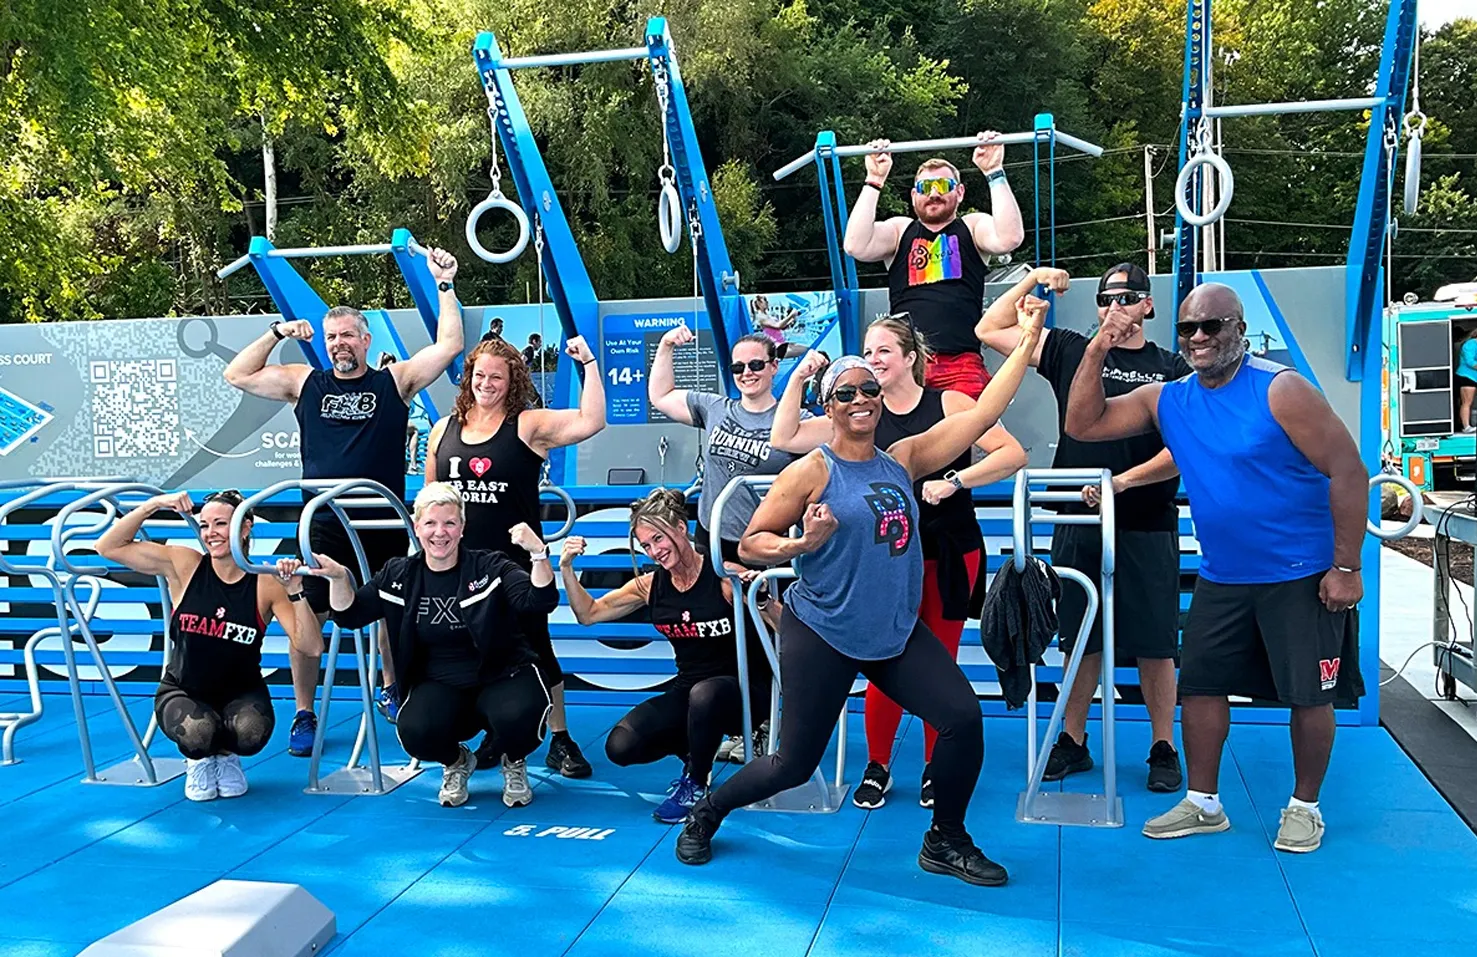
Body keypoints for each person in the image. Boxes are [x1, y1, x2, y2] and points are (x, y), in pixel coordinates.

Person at [675, 296, 1046, 886]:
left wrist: (1025, 340)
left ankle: (946, 839)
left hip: (892, 631)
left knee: (962, 718)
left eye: (868, 388)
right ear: (829, 406)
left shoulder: (903, 460)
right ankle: (708, 811)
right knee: (793, 765)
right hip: (822, 631)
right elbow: (751, 544)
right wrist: (802, 544)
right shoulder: (812, 470)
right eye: (845, 392)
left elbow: (983, 414)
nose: (860, 399)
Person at [1063, 282, 1369, 854]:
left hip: (1300, 573)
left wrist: (1346, 567)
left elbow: (1348, 470)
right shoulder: (1170, 399)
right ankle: (1204, 803)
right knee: (1200, 687)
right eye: (1188, 328)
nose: (1199, 337)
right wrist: (1098, 346)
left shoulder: (1281, 389)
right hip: (1223, 575)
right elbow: (1082, 425)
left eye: (1212, 325)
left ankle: (1305, 808)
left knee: (1309, 694)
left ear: (1239, 330)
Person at [771, 315, 1027, 808]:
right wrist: (801, 375)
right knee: (881, 657)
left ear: (911, 357)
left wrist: (955, 481)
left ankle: (935, 766)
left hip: (948, 552)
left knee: (938, 664)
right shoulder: (856, 412)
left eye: (883, 351)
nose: (872, 363)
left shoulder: (947, 403)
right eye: (867, 352)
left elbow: (1010, 452)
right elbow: (784, 437)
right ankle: (878, 764)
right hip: (884, 562)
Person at [222, 248, 465, 757]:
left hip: (382, 519)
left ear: (365, 340)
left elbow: (448, 346)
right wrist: (277, 333)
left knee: (390, 612)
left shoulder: (392, 381)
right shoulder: (305, 382)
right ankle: (304, 712)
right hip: (324, 523)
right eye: (332, 337)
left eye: (348, 335)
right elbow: (238, 375)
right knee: (306, 615)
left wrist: (443, 284)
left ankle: (392, 689)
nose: (339, 344)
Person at [975, 263, 1188, 792]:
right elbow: (989, 328)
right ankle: (1073, 739)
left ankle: (1163, 746)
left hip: (1146, 518)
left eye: (1129, 296)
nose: (1116, 306)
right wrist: (1034, 279)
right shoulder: (1070, 347)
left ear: (1148, 305)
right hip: (1079, 517)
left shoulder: (1172, 366)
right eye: (1107, 297)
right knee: (1079, 635)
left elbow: (1183, 448)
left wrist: (1124, 483)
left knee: (1157, 643)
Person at [282, 482, 559, 808]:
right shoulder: (399, 574)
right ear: (416, 527)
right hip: (442, 684)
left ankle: (513, 760)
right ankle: (457, 762)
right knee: (415, 731)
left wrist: (538, 553)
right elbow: (349, 615)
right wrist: (340, 577)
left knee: (521, 716)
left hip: (502, 676)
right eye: (430, 523)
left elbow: (540, 600)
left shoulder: (490, 566)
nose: (440, 533)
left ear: (462, 528)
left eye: (449, 523)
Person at [425, 334, 605, 779]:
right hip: (458, 571)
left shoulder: (526, 425)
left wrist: (589, 365)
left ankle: (560, 738)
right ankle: (495, 734)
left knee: (536, 649)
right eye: (480, 375)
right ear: (468, 377)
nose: (486, 384)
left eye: (497, 377)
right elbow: (430, 502)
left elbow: (592, 421)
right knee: (470, 653)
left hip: (515, 569)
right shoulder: (442, 431)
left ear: (512, 382)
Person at [560, 490, 774, 823]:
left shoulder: (723, 575)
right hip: (690, 691)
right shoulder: (650, 585)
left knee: (706, 694)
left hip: (745, 692)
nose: (654, 550)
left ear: (681, 528)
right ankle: (694, 751)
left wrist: (761, 599)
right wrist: (566, 568)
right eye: (646, 545)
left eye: (658, 538)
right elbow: (589, 614)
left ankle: (696, 782)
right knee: (620, 746)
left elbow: (785, 627)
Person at [649, 325, 808, 760]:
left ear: (773, 367)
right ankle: (736, 723)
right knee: (723, 636)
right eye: (738, 367)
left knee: (763, 635)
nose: (746, 373)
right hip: (712, 541)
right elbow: (661, 396)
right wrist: (666, 347)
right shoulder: (716, 407)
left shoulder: (792, 421)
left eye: (756, 364)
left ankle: (768, 725)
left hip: (762, 544)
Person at [95, 489, 308, 802]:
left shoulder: (266, 583)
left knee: (251, 733)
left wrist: (295, 591)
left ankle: (226, 756)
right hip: (183, 691)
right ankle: (200, 759)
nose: (211, 533)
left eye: (221, 523)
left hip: (242, 693)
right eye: (205, 525)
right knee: (198, 733)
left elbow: (310, 647)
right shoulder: (185, 564)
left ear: (245, 527)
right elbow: (107, 547)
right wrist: (154, 504)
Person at [842, 133, 1025, 398]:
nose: (934, 193)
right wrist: (874, 180)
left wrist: (994, 171)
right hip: (907, 364)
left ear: (959, 192)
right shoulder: (900, 231)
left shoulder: (972, 227)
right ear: (914, 195)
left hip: (961, 363)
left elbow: (1010, 238)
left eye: (943, 185)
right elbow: (855, 246)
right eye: (926, 187)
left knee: (972, 421)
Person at [1456, 328, 1477, 433]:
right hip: (1467, 376)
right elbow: (1470, 362)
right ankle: (1466, 426)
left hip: (1474, 376)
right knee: (1467, 402)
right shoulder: (1470, 344)